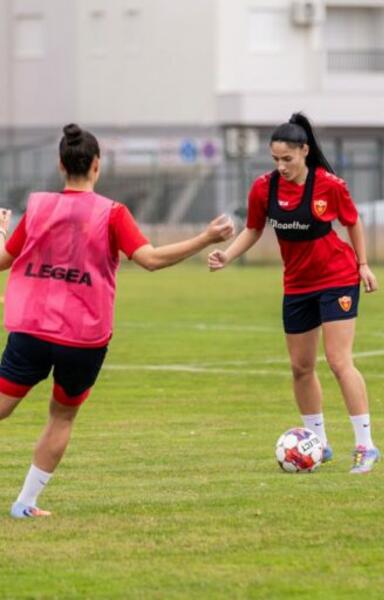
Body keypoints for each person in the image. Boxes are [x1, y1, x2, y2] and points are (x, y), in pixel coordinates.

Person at [0, 123, 235, 518]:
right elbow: (151, 259)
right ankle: (25, 503)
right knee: (62, 416)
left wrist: (0, 230)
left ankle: (27, 505)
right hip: (83, 337)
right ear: (97, 165)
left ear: (60, 165)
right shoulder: (112, 213)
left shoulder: (38, 207)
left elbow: (2, 261)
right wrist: (206, 238)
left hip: (33, 329)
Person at [208, 112, 380, 473]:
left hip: (337, 277)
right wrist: (227, 255)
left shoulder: (329, 185)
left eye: (287, 158)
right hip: (297, 285)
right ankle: (319, 443)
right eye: (275, 159)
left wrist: (363, 264)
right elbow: (253, 229)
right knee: (301, 367)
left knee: (338, 361)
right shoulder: (263, 188)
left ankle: (366, 446)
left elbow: (352, 222)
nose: (281, 166)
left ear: (304, 151)